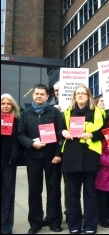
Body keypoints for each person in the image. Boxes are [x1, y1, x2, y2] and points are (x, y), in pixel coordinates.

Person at [17, 84, 63, 234]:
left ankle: (54, 220)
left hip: (51, 157)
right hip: (33, 157)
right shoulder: (26, 114)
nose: (39, 96)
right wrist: (32, 143)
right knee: (34, 191)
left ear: (47, 96)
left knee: (54, 190)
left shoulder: (55, 113)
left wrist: (58, 154)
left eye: (42, 94)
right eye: (36, 94)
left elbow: (60, 134)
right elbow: (20, 134)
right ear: (33, 95)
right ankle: (35, 222)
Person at [60, 84, 105, 234]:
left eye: (83, 93)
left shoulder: (97, 112)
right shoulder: (67, 112)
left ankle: (90, 226)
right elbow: (59, 129)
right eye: (77, 93)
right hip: (71, 156)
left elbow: (104, 132)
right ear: (74, 96)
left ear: (88, 96)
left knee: (90, 192)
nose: (80, 95)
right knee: (73, 193)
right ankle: (74, 225)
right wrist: (64, 131)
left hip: (90, 155)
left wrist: (91, 134)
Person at [46, 80, 70, 224]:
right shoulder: (48, 107)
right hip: (53, 151)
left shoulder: (73, 107)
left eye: (61, 90)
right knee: (53, 185)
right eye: (56, 91)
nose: (58, 93)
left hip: (68, 151)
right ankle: (53, 215)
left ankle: (69, 212)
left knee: (69, 185)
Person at [1, 94, 22, 234]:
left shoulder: (17, 121)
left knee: (8, 194)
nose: (6, 106)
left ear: (13, 106)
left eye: (9, 104)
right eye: (3, 104)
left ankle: (6, 227)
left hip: (9, 162)